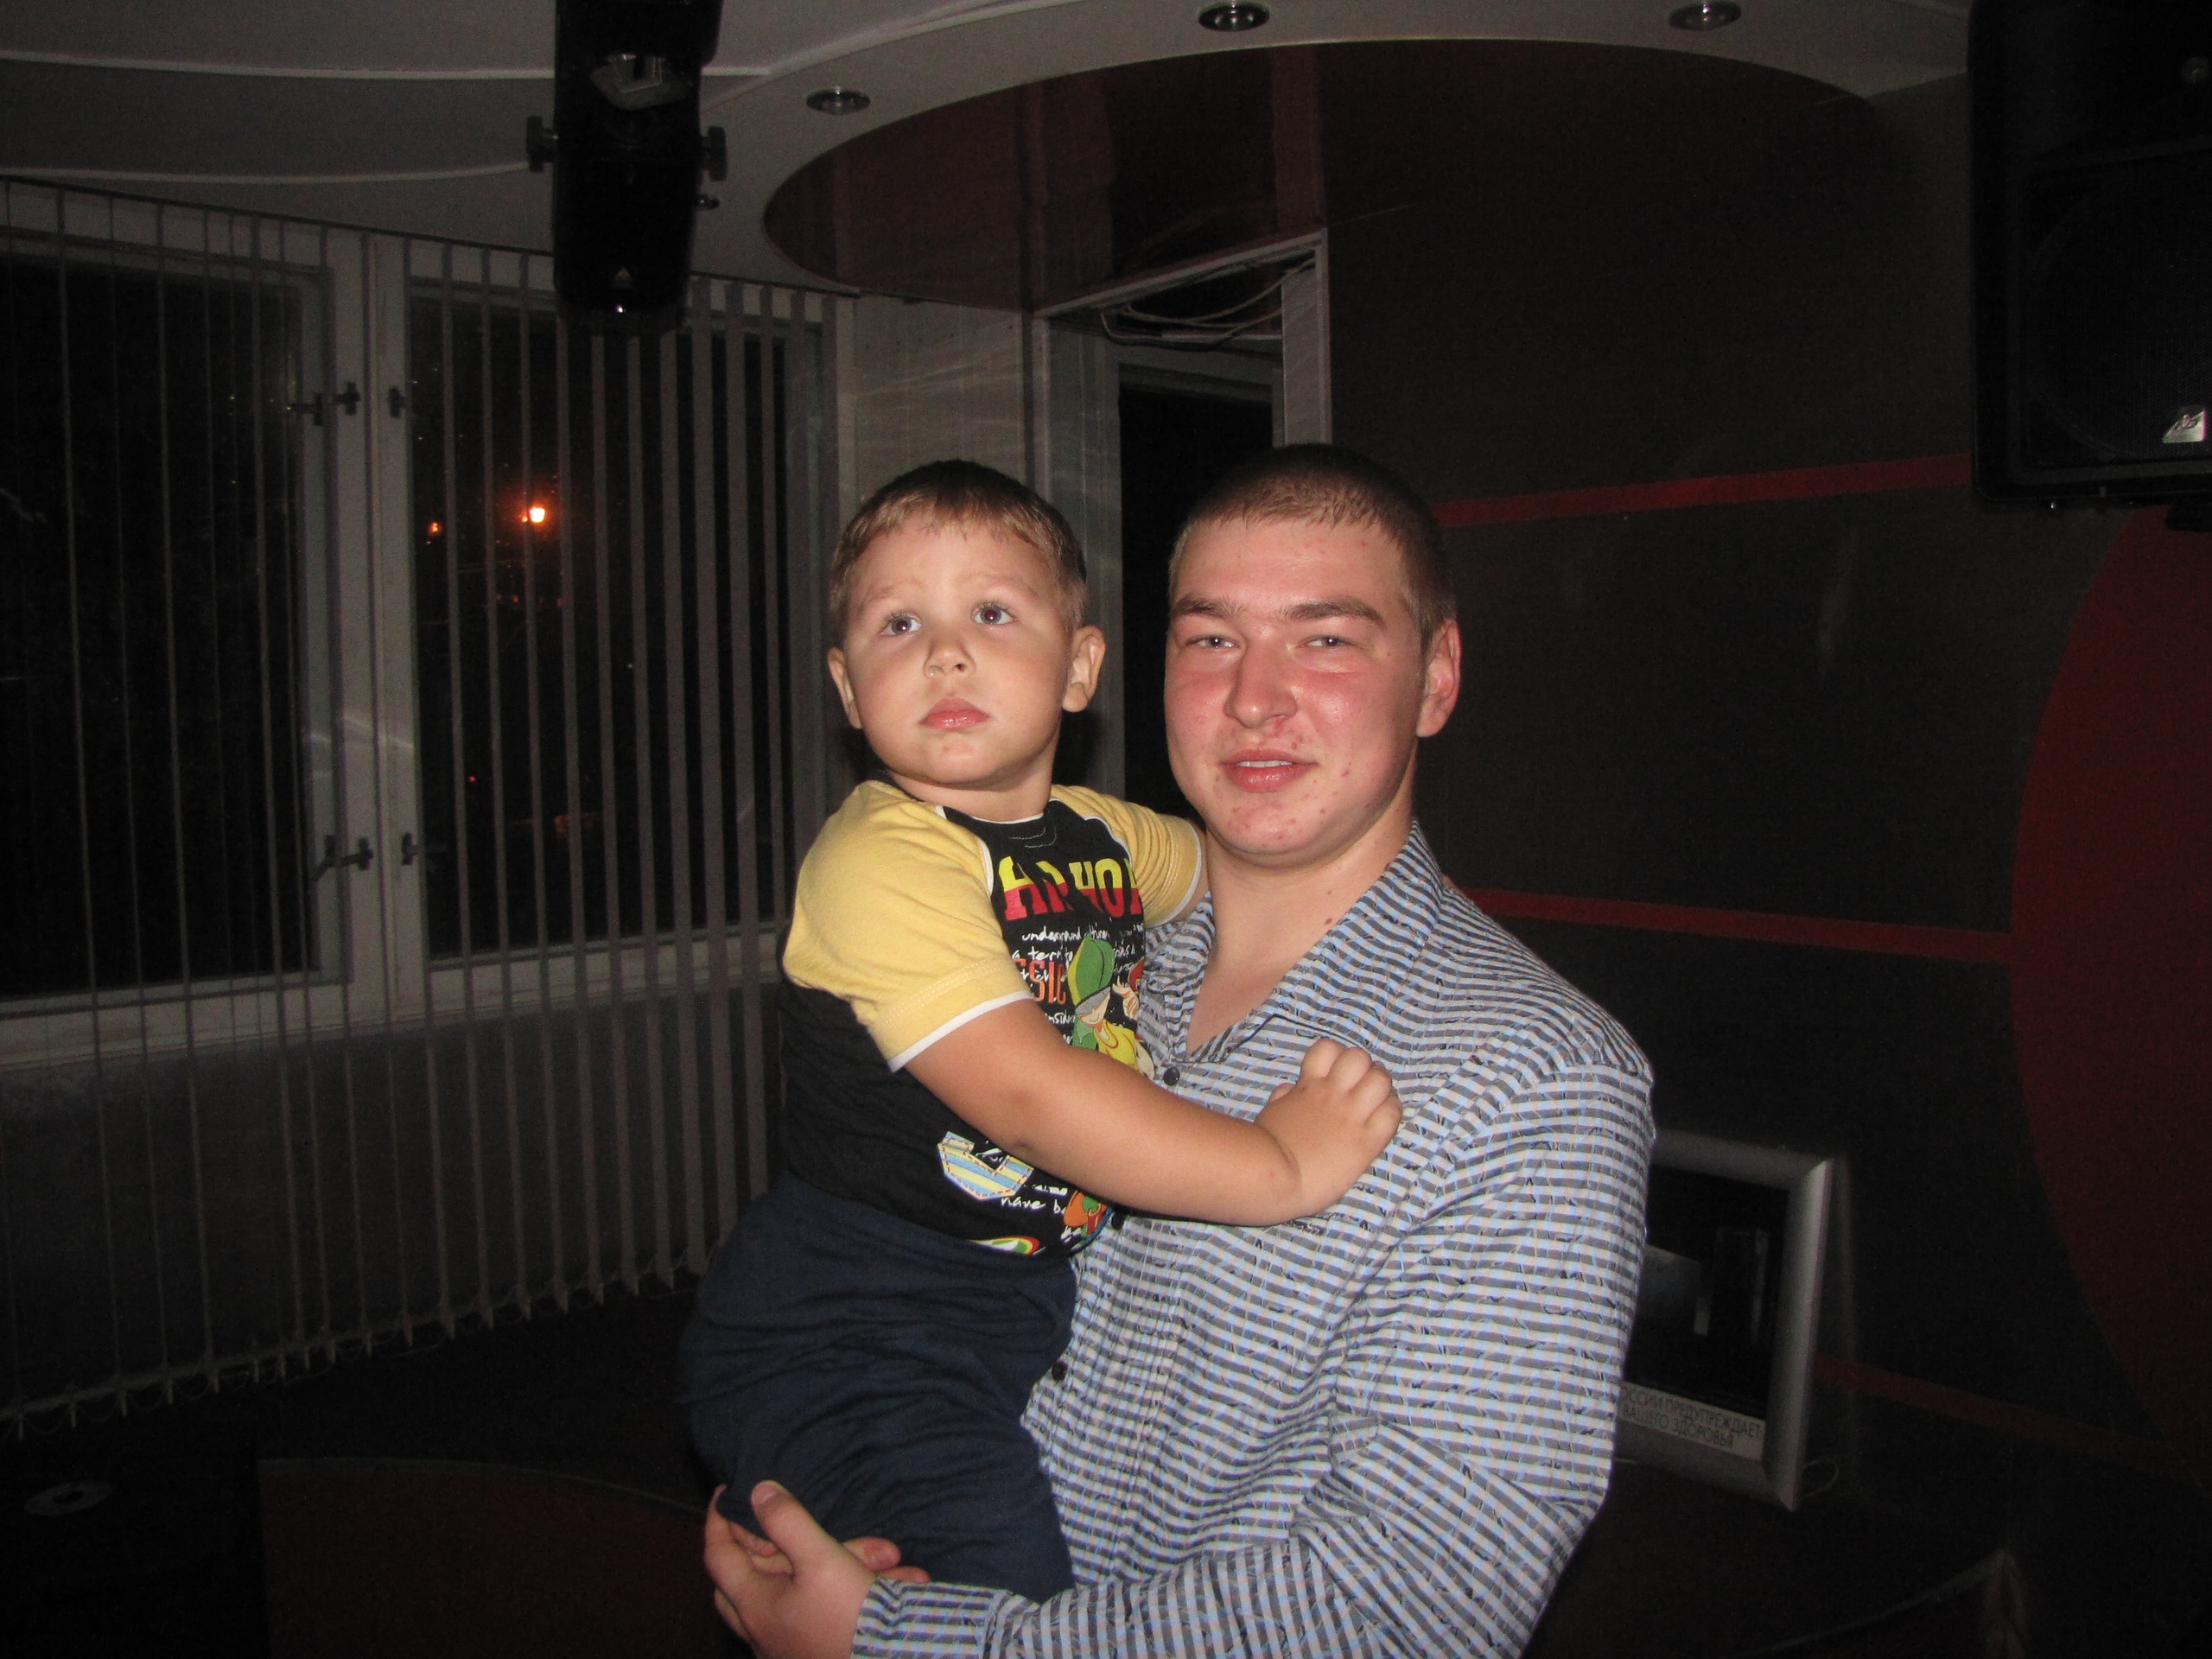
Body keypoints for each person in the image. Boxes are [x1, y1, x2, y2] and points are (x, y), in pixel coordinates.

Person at [705, 443, 1655, 1658]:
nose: (1256, 697)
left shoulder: (1535, 1081)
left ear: (1436, 677)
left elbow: (1417, 1603)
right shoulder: (1054, 941)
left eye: (1326, 638)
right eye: (1212, 639)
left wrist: (901, 1641)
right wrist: (826, 1514)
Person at [678, 461, 1402, 1603]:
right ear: (848, 688)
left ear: (1079, 668)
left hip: (991, 1312)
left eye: (993, 614)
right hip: (857, 1323)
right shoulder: (881, 859)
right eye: (899, 623)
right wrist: (1280, 1166)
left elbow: (1234, 867)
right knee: (1000, 1577)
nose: (945, 654)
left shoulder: (1100, 836)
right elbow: (1029, 1097)